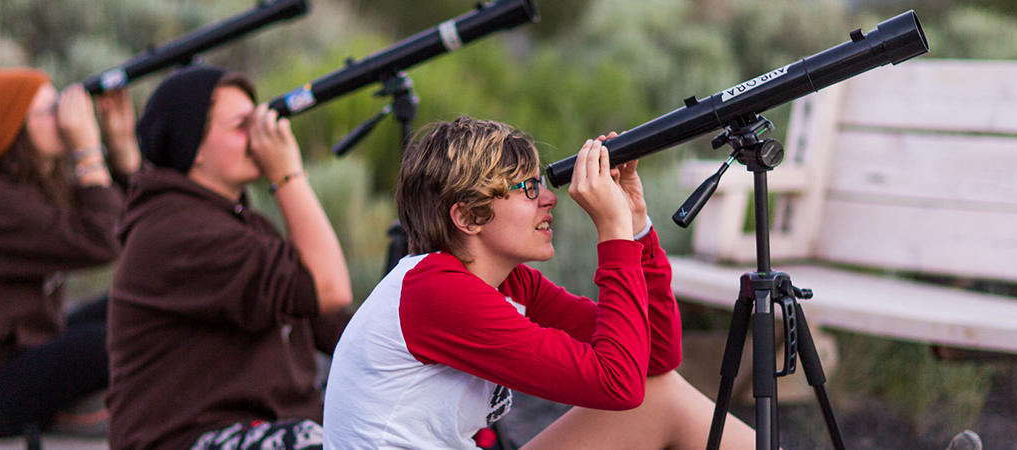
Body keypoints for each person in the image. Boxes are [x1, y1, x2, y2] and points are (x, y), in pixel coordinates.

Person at [322, 117, 763, 450]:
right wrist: (612, 236)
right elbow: (618, 383)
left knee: (662, 395)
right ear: (467, 216)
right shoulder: (436, 293)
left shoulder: (512, 285)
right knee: (656, 396)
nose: (550, 198)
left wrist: (635, 225)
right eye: (528, 188)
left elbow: (656, 359)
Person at [108, 66, 354, 450]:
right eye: (243, 125)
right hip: (188, 440)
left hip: (261, 430)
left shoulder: (239, 223)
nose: (259, 138)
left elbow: (336, 328)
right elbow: (327, 288)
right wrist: (288, 174)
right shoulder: (176, 232)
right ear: (194, 146)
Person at [0, 66, 141, 439]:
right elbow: (102, 239)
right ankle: (67, 407)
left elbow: (130, 226)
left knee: (138, 307)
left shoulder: (34, 181)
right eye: (50, 111)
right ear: (14, 127)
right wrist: (88, 151)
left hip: (20, 351)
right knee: (112, 339)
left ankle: (70, 402)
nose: (64, 120)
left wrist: (123, 145)